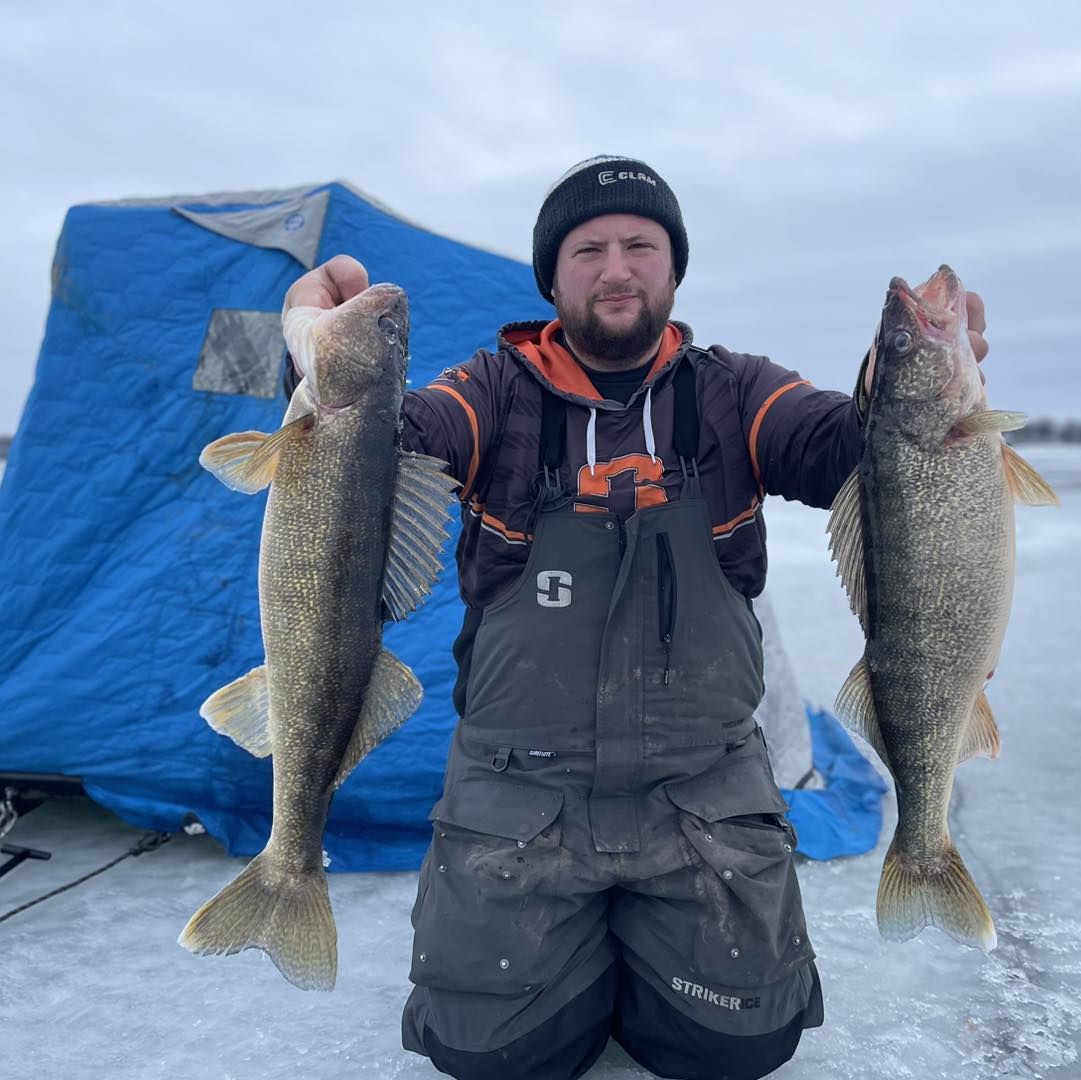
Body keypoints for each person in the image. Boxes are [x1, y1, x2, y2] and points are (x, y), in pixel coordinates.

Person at [283, 156, 989, 1080]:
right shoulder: (491, 390)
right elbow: (367, 451)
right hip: (520, 792)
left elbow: (845, 450)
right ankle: (582, 963)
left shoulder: (735, 389)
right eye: (588, 250)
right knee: (490, 1056)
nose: (615, 268)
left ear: (672, 268)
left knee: (738, 1045)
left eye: (639, 245)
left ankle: (630, 958)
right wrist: (306, 353)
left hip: (699, 789)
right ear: (552, 277)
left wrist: (898, 381)